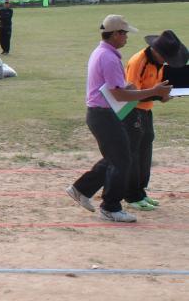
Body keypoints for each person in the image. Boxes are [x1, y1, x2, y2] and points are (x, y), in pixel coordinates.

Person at [67, 15, 172, 223]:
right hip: (104, 114)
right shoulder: (109, 57)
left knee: (116, 157)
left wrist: (132, 89)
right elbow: (119, 95)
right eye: (124, 33)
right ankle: (110, 207)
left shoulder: (103, 53)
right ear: (115, 34)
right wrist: (154, 91)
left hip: (102, 113)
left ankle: (81, 189)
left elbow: (117, 89)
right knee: (122, 160)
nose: (126, 37)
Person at [123, 30, 188, 211]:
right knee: (133, 154)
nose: (168, 61)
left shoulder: (159, 63)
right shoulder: (138, 62)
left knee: (145, 151)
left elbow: (154, 89)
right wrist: (158, 95)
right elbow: (131, 94)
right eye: (167, 57)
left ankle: (141, 192)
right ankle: (131, 196)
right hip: (132, 112)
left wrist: (163, 96)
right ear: (157, 51)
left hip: (146, 110)